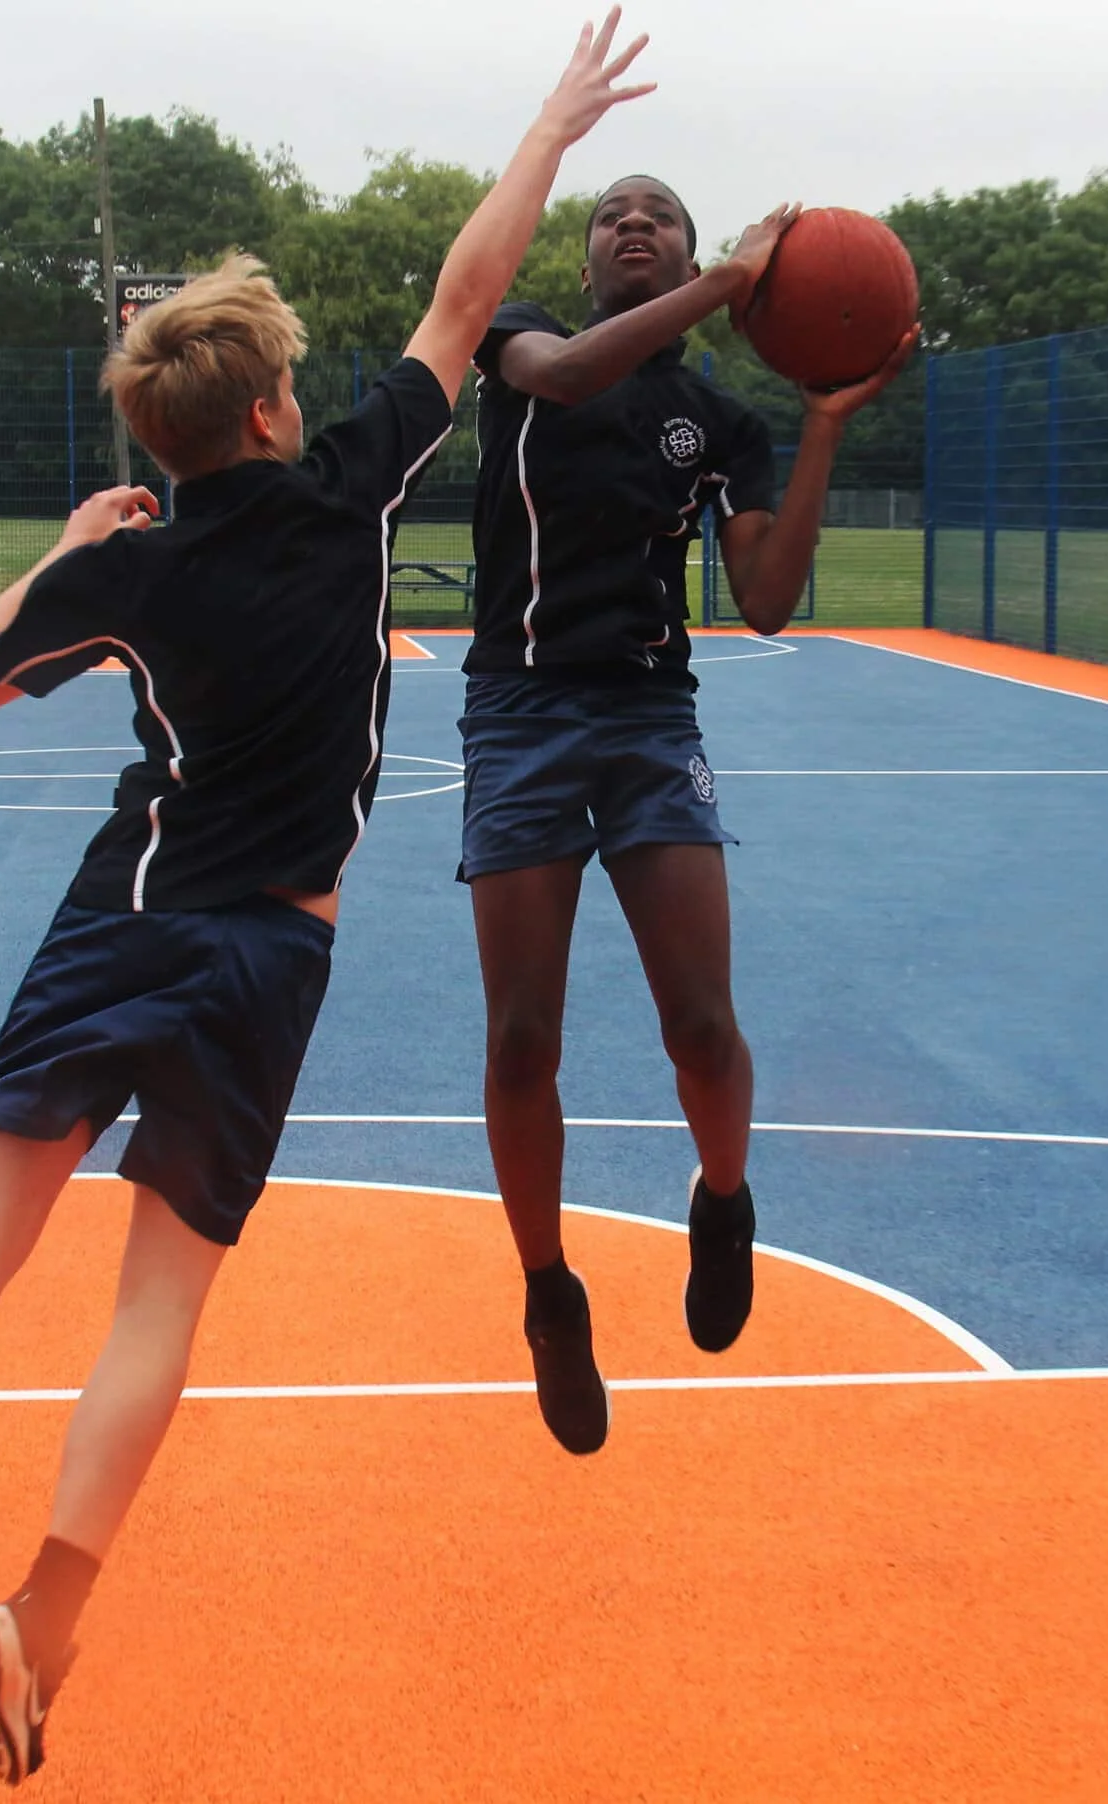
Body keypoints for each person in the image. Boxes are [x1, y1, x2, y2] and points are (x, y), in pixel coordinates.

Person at [0, 14, 656, 1787]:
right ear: (276, 409)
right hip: (269, 949)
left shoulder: (137, 563)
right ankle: (47, 1617)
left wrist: (77, 547)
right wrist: (547, 124)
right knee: (159, 1297)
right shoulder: (347, 488)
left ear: (164, 440)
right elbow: (467, 300)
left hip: (121, 913)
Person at [462, 175, 913, 1455]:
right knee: (517, 1043)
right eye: (613, 213)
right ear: (590, 253)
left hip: (651, 721)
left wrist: (820, 422)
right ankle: (550, 1296)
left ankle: (724, 1202)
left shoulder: (718, 419)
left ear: (697, 248)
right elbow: (564, 379)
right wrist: (732, 286)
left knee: (705, 1030)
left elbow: (766, 600)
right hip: (520, 712)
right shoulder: (523, 343)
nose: (633, 223)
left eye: (658, 211)